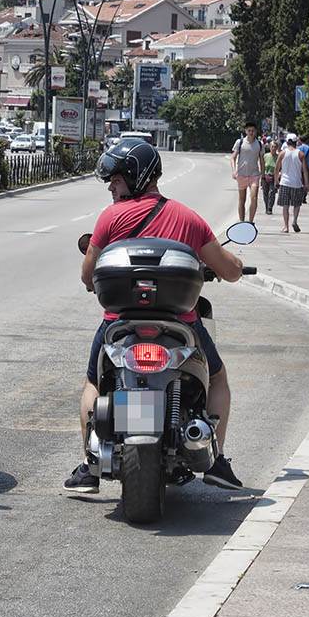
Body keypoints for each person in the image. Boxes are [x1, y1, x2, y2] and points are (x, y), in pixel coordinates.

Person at [65, 139, 245, 494]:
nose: (112, 188)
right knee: (218, 378)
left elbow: (88, 276)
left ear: (135, 175)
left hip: (119, 323)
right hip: (182, 325)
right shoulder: (187, 218)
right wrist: (236, 264)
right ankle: (217, 457)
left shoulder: (111, 218)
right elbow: (230, 270)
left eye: (115, 180)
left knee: (93, 382)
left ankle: (90, 463)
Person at [230, 121, 265, 223]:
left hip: (254, 175)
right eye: (249, 130)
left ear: (256, 131)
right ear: (245, 131)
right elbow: (233, 157)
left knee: (254, 198)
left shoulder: (259, 144)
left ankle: (250, 222)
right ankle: (242, 222)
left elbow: (262, 160)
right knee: (242, 200)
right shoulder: (240, 142)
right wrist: (234, 171)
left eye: (253, 131)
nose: (251, 132)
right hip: (241, 175)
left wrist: (262, 174)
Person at [276, 133, 309, 233]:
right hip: (296, 183)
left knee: (285, 206)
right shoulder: (300, 154)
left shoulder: (282, 153)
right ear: (296, 142)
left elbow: (277, 168)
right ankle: (294, 220)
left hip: (285, 182)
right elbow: (304, 170)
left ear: (287, 142)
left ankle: (286, 227)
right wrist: (306, 183)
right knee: (297, 204)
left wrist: (276, 180)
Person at [262, 139, 280, 215]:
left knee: (272, 192)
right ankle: (266, 207)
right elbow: (262, 166)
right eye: (272, 146)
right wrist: (262, 175)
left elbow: (280, 168)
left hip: (274, 177)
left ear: (277, 148)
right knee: (265, 193)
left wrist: (278, 177)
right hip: (265, 176)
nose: (273, 148)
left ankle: (270, 208)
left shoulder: (279, 157)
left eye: (275, 147)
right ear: (270, 147)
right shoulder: (265, 156)